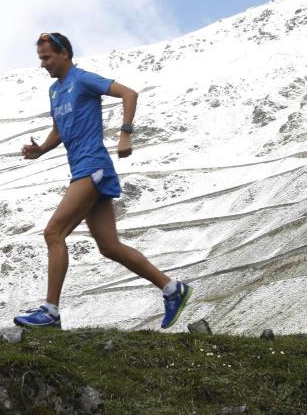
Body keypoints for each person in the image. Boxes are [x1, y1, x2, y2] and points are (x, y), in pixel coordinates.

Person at [13, 32, 192, 329]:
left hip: (93, 167)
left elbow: (129, 93)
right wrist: (40, 150)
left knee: (53, 233)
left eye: (47, 58)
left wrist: (125, 134)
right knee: (109, 246)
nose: (43, 64)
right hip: (82, 169)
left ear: (65, 54)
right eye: (41, 59)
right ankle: (173, 289)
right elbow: (59, 130)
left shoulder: (83, 79)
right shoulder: (54, 91)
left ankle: (50, 312)